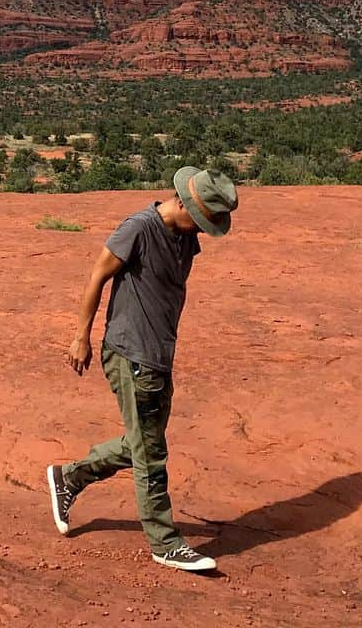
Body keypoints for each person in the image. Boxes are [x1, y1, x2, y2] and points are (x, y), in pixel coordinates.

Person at [46, 166, 239, 573]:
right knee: (151, 453)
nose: (204, 230)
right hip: (131, 353)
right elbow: (98, 273)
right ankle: (164, 541)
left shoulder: (185, 236)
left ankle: (69, 477)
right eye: (203, 221)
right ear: (183, 204)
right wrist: (80, 335)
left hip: (158, 354)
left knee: (143, 441)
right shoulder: (138, 228)